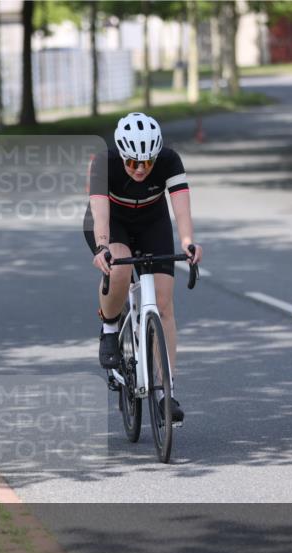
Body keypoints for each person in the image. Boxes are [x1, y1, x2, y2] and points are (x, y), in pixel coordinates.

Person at [83, 112, 202, 422]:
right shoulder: (104, 163)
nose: (140, 168)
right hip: (112, 223)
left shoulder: (169, 161)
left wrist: (188, 242)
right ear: (122, 154)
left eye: (147, 162)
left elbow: (181, 208)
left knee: (163, 304)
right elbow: (100, 215)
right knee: (120, 269)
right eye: (133, 162)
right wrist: (102, 247)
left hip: (152, 222)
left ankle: (166, 392)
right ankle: (110, 328)